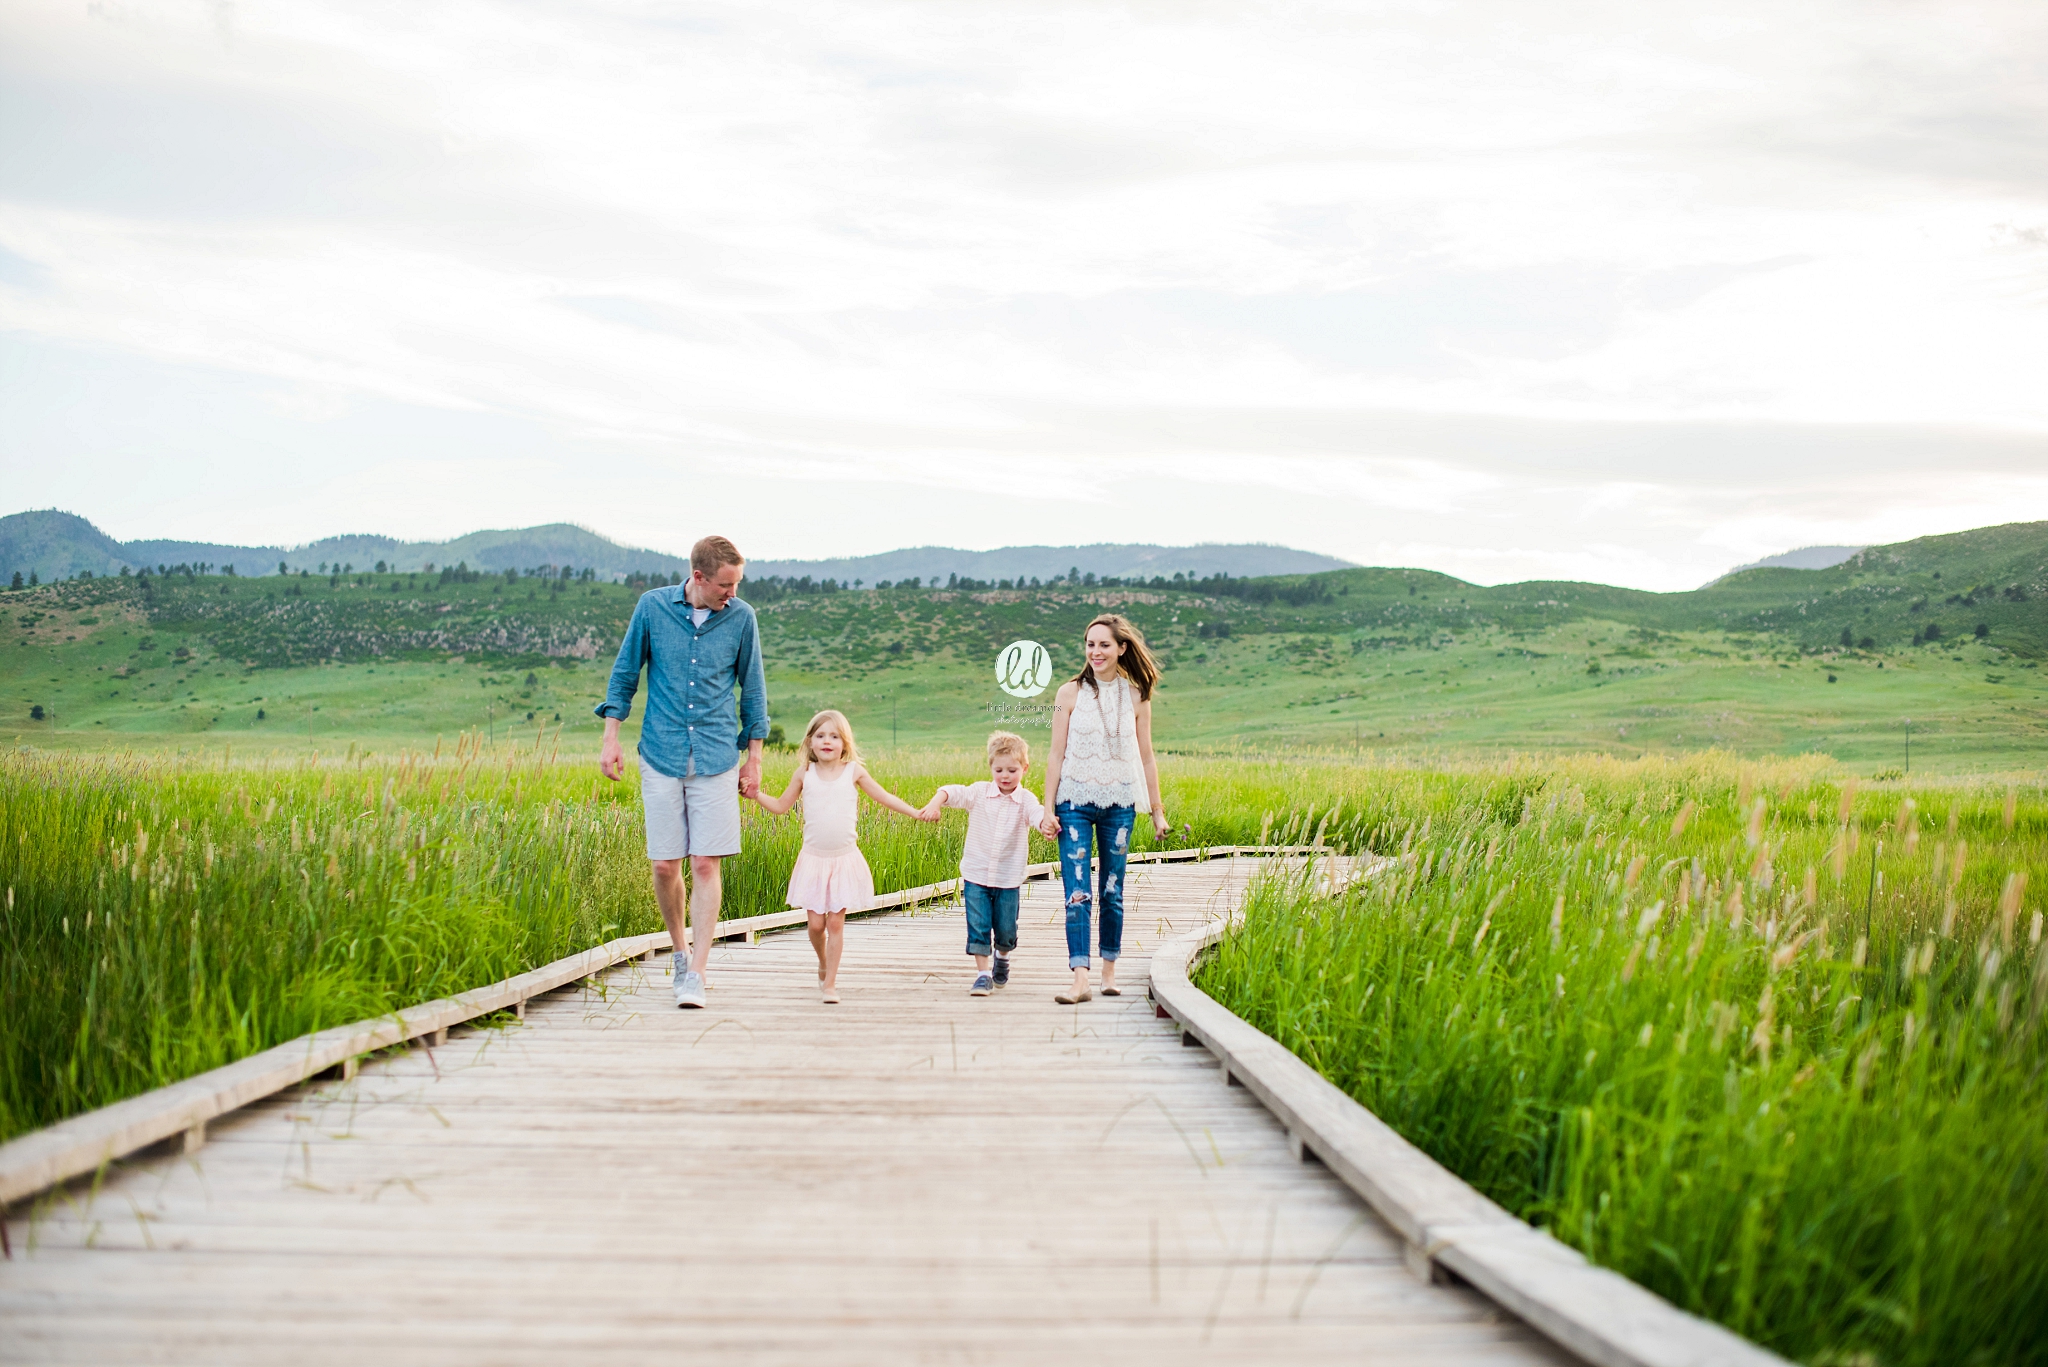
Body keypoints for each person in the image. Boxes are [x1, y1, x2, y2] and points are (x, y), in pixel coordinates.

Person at [596, 535, 768, 1010]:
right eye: (724, 584)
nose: (730, 593)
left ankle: (698, 971)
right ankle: (679, 950)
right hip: (661, 752)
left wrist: (754, 756)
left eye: (736, 584)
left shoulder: (742, 619)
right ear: (698, 577)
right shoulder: (652, 609)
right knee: (665, 863)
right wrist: (610, 738)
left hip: (715, 755)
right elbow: (625, 673)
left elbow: (752, 690)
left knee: (706, 862)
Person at [753, 710, 931, 1003]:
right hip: (813, 859)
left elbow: (883, 796)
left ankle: (831, 984)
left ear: (844, 743)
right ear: (810, 742)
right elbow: (781, 806)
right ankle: (822, 962)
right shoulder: (804, 774)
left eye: (834, 736)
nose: (827, 741)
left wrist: (915, 812)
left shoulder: (854, 772)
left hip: (843, 858)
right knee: (815, 926)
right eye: (821, 736)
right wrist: (755, 795)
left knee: (835, 924)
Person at [1036, 614, 1170, 1004]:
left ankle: (1109, 972)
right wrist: (1048, 808)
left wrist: (1157, 812)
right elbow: (1055, 754)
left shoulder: (1137, 696)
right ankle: (1080, 978)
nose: (1095, 651)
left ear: (1121, 648)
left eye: (1104, 644)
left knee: (1112, 889)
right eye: (1090, 644)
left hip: (1120, 805)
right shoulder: (1068, 694)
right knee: (1077, 892)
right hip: (1073, 803)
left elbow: (1146, 758)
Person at [922, 731, 1045, 996]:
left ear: (1024, 768)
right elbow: (950, 791)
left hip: (1008, 878)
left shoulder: (1026, 800)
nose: (1005, 775)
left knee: (1005, 928)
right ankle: (982, 974)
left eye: (1012, 770)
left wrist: (1045, 825)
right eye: (999, 769)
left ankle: (1003, 956)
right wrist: (935, 803)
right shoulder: (978, 793)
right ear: (990, 767)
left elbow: (1037, 815)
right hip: (976, 875)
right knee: (978, 925)